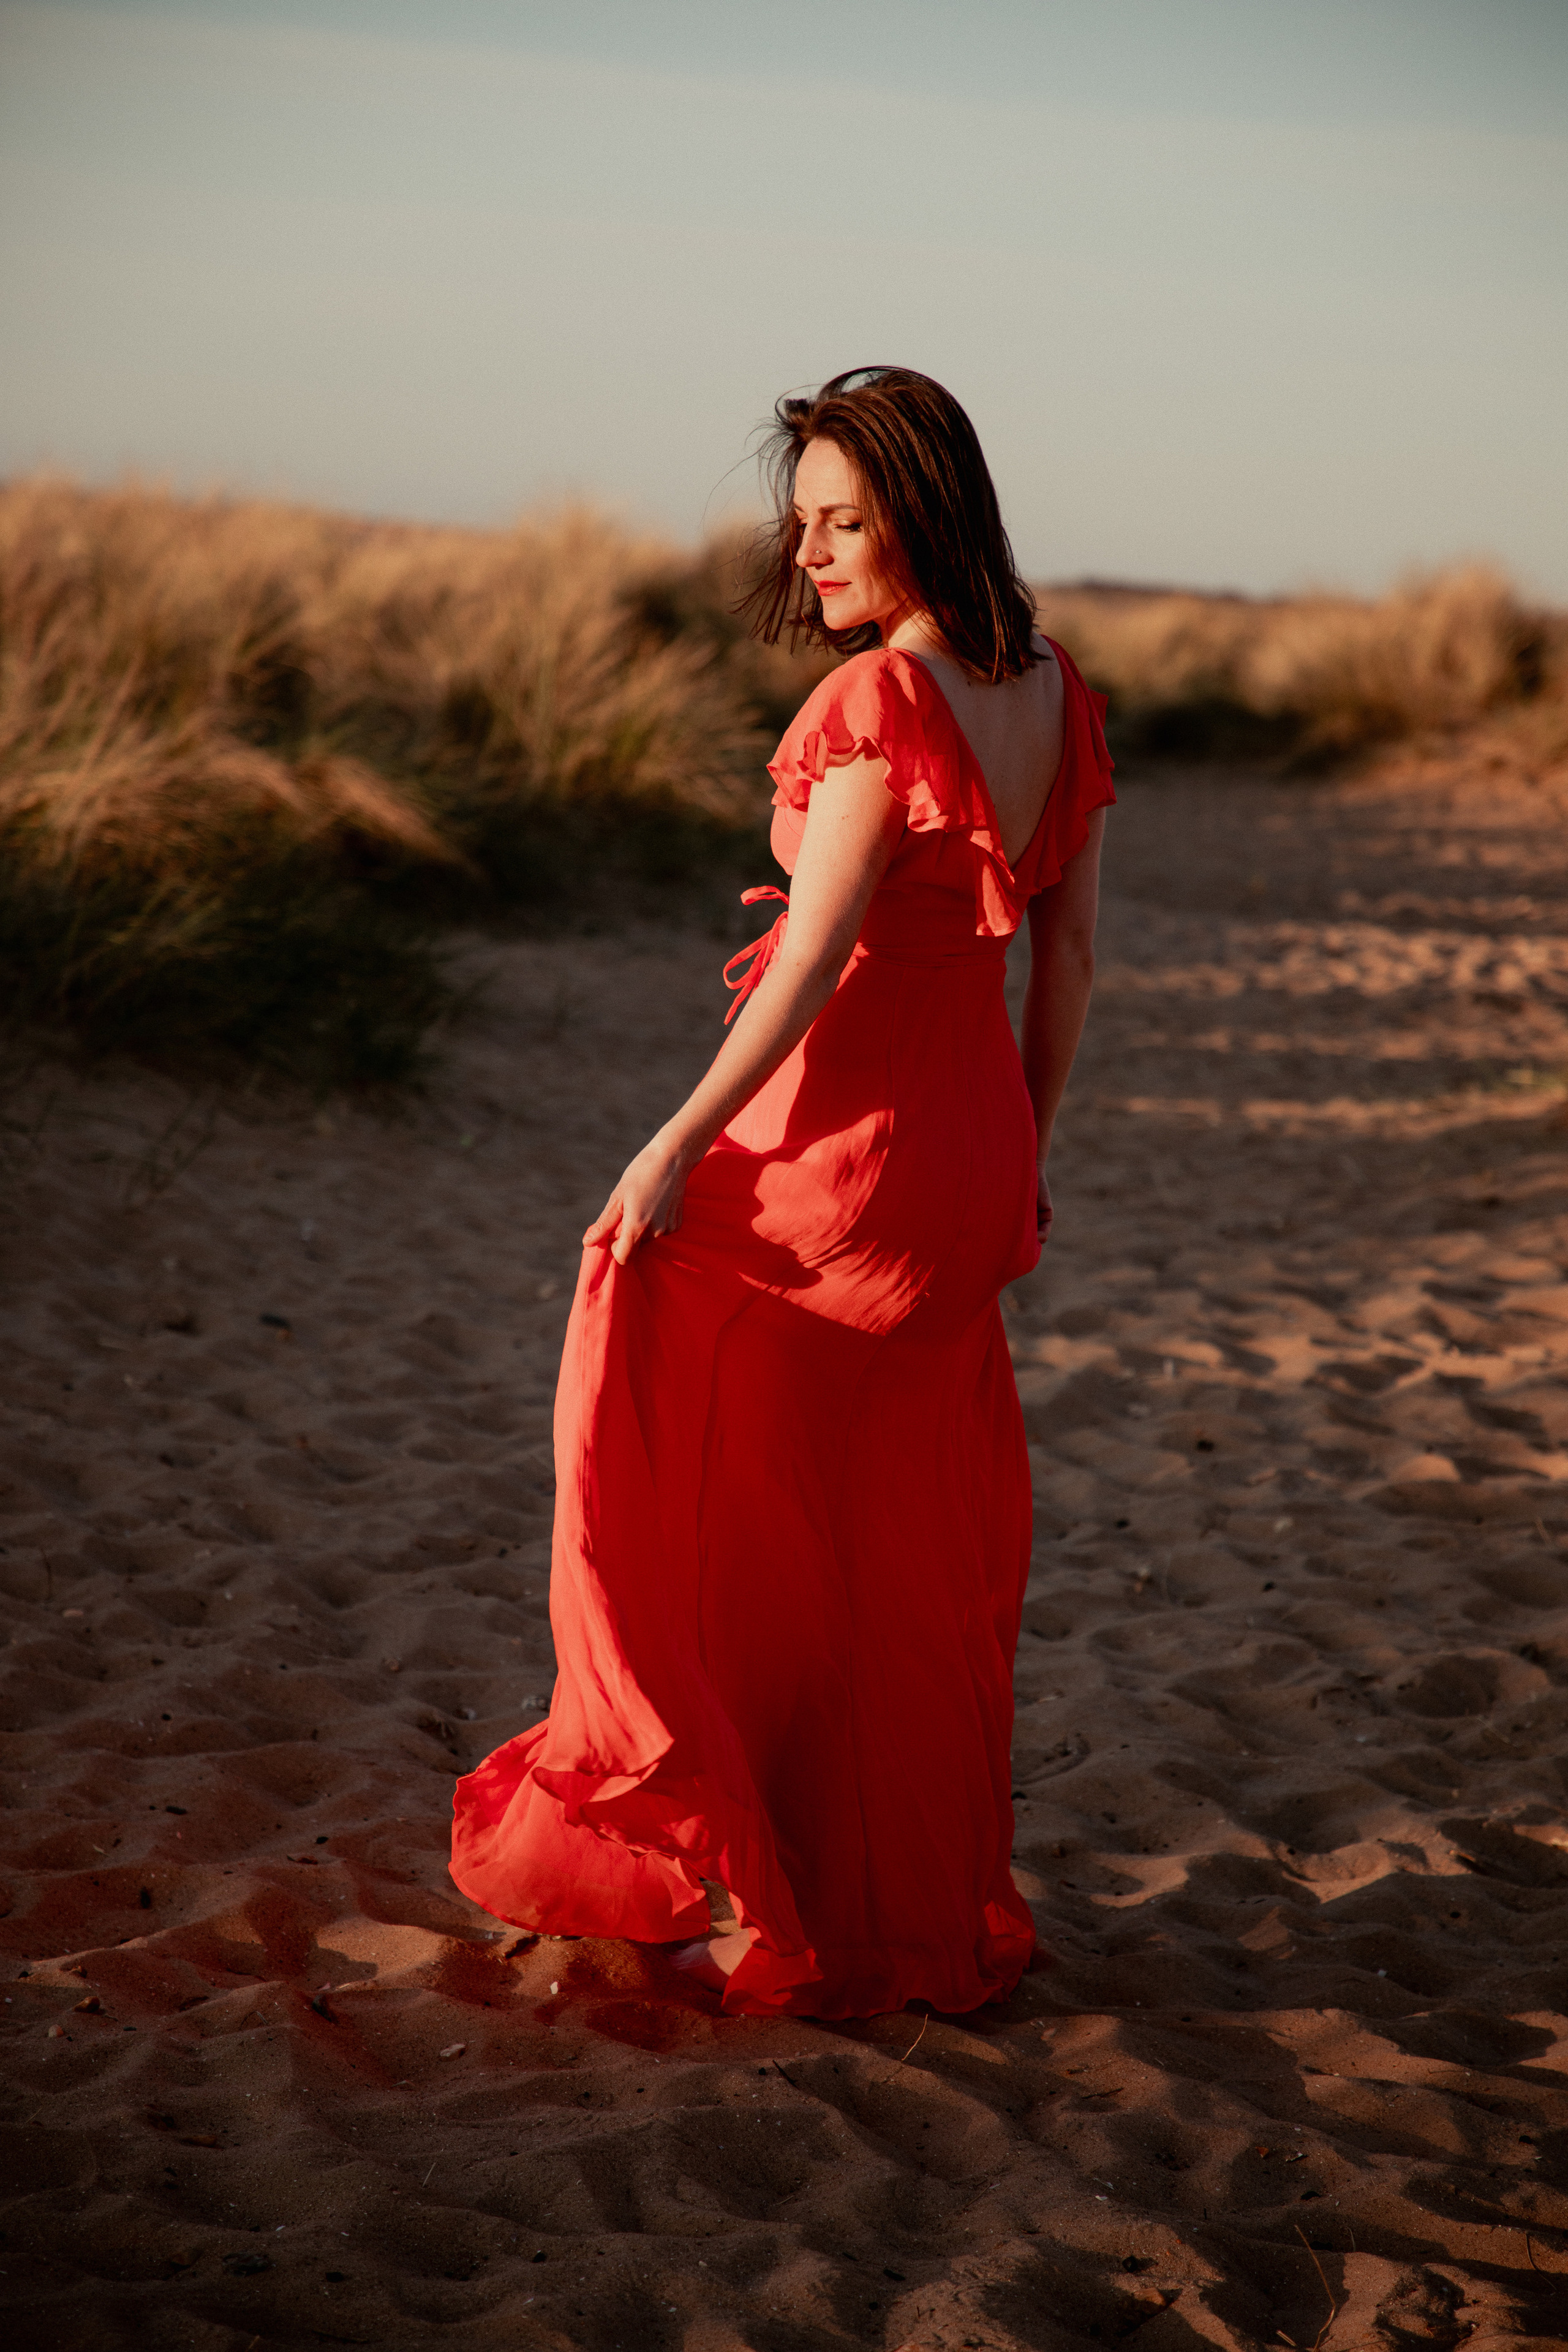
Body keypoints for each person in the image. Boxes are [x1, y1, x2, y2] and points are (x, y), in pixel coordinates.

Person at [450, 366, 1114, 2019]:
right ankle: (871, 1897)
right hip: (966, 1159)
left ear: (924, 511)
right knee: (891, 1532)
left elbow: (812, 958)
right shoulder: (1054, 690)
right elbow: (1070, 953)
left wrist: (671, 1145)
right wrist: (1021, 1154)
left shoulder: (881, 707)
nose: (811, 550)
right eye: (801, 519)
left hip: (849, 1166)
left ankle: (698, 1830)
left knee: (652, 1367)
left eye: (843, 518)